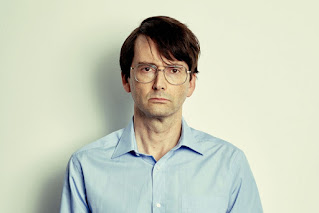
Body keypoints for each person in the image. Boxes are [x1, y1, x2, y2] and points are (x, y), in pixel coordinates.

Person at [59, 16, 263, 213]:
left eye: (174, 70)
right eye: (147, 68)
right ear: (126, 79)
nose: (159, 84)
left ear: (191, 83)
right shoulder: (86, 165)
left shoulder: (229, 164)